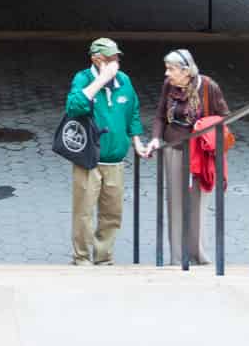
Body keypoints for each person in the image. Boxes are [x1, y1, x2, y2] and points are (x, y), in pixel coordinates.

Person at [63, 38, 148, 265]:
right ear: (96, 59)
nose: (115, 63)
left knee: (112, 213)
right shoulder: (83, 78)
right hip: (89, 159)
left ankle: (104, 258)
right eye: (109, 59)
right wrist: (101, 80)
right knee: (83, 211)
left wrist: (137, 142)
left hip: (115, 160)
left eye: (116, 58)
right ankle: (81, 258)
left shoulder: (124, 81)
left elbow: (133, 112)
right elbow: (74, 106)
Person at [145, 49, 228, 266]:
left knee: (198, 204)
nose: (167, 73)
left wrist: (205, 129)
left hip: (199, 154)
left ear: (186, 70)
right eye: (167, 68)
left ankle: (198, 255)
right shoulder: (169, 86)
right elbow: (160, 115)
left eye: (171, 69)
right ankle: (177, 258)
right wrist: (155, 138)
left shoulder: (209, 86)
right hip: (173, 150)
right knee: (174, 203)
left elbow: (225, 117)